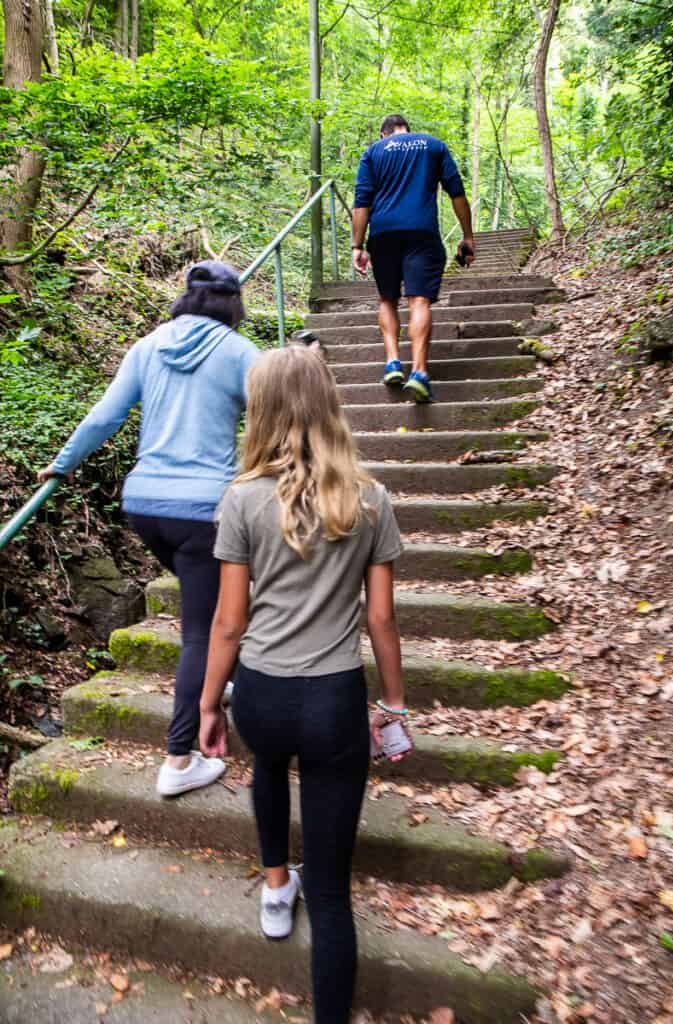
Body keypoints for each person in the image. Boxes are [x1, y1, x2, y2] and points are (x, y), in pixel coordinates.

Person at [197, 345, 409, 1024]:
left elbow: (228, 624)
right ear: (328, 404)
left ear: (259, 411)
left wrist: (207, 705)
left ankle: (273, 885)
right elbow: (380, 620)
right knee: (335, 898)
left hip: (260, 694)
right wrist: (393, 704)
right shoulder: (369, 499)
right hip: (334, 701)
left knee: (267, 765)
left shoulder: (240, 500)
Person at [37, 260, 259, 797]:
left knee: (210, 609)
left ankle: (215, 677)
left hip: (144, 507)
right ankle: (180, 761)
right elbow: (275, 422)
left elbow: (104, 416)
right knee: (201, 632)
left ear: (185, 297)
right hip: (205, 510)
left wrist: (62, 464)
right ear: (233, 303)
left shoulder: (149, 344)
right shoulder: (241, 353)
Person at [352, 113, 476, 403]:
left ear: (384, 134)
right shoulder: (433, 146)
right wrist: (468, 236)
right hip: (422, 232)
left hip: (383, 235)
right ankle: (419, 373)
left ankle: (393, 362)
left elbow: (362, 201)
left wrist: (357, 246)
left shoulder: (373, 152)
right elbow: (456, 192)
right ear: (406, 129)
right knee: (418, 300)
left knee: (387, 300)